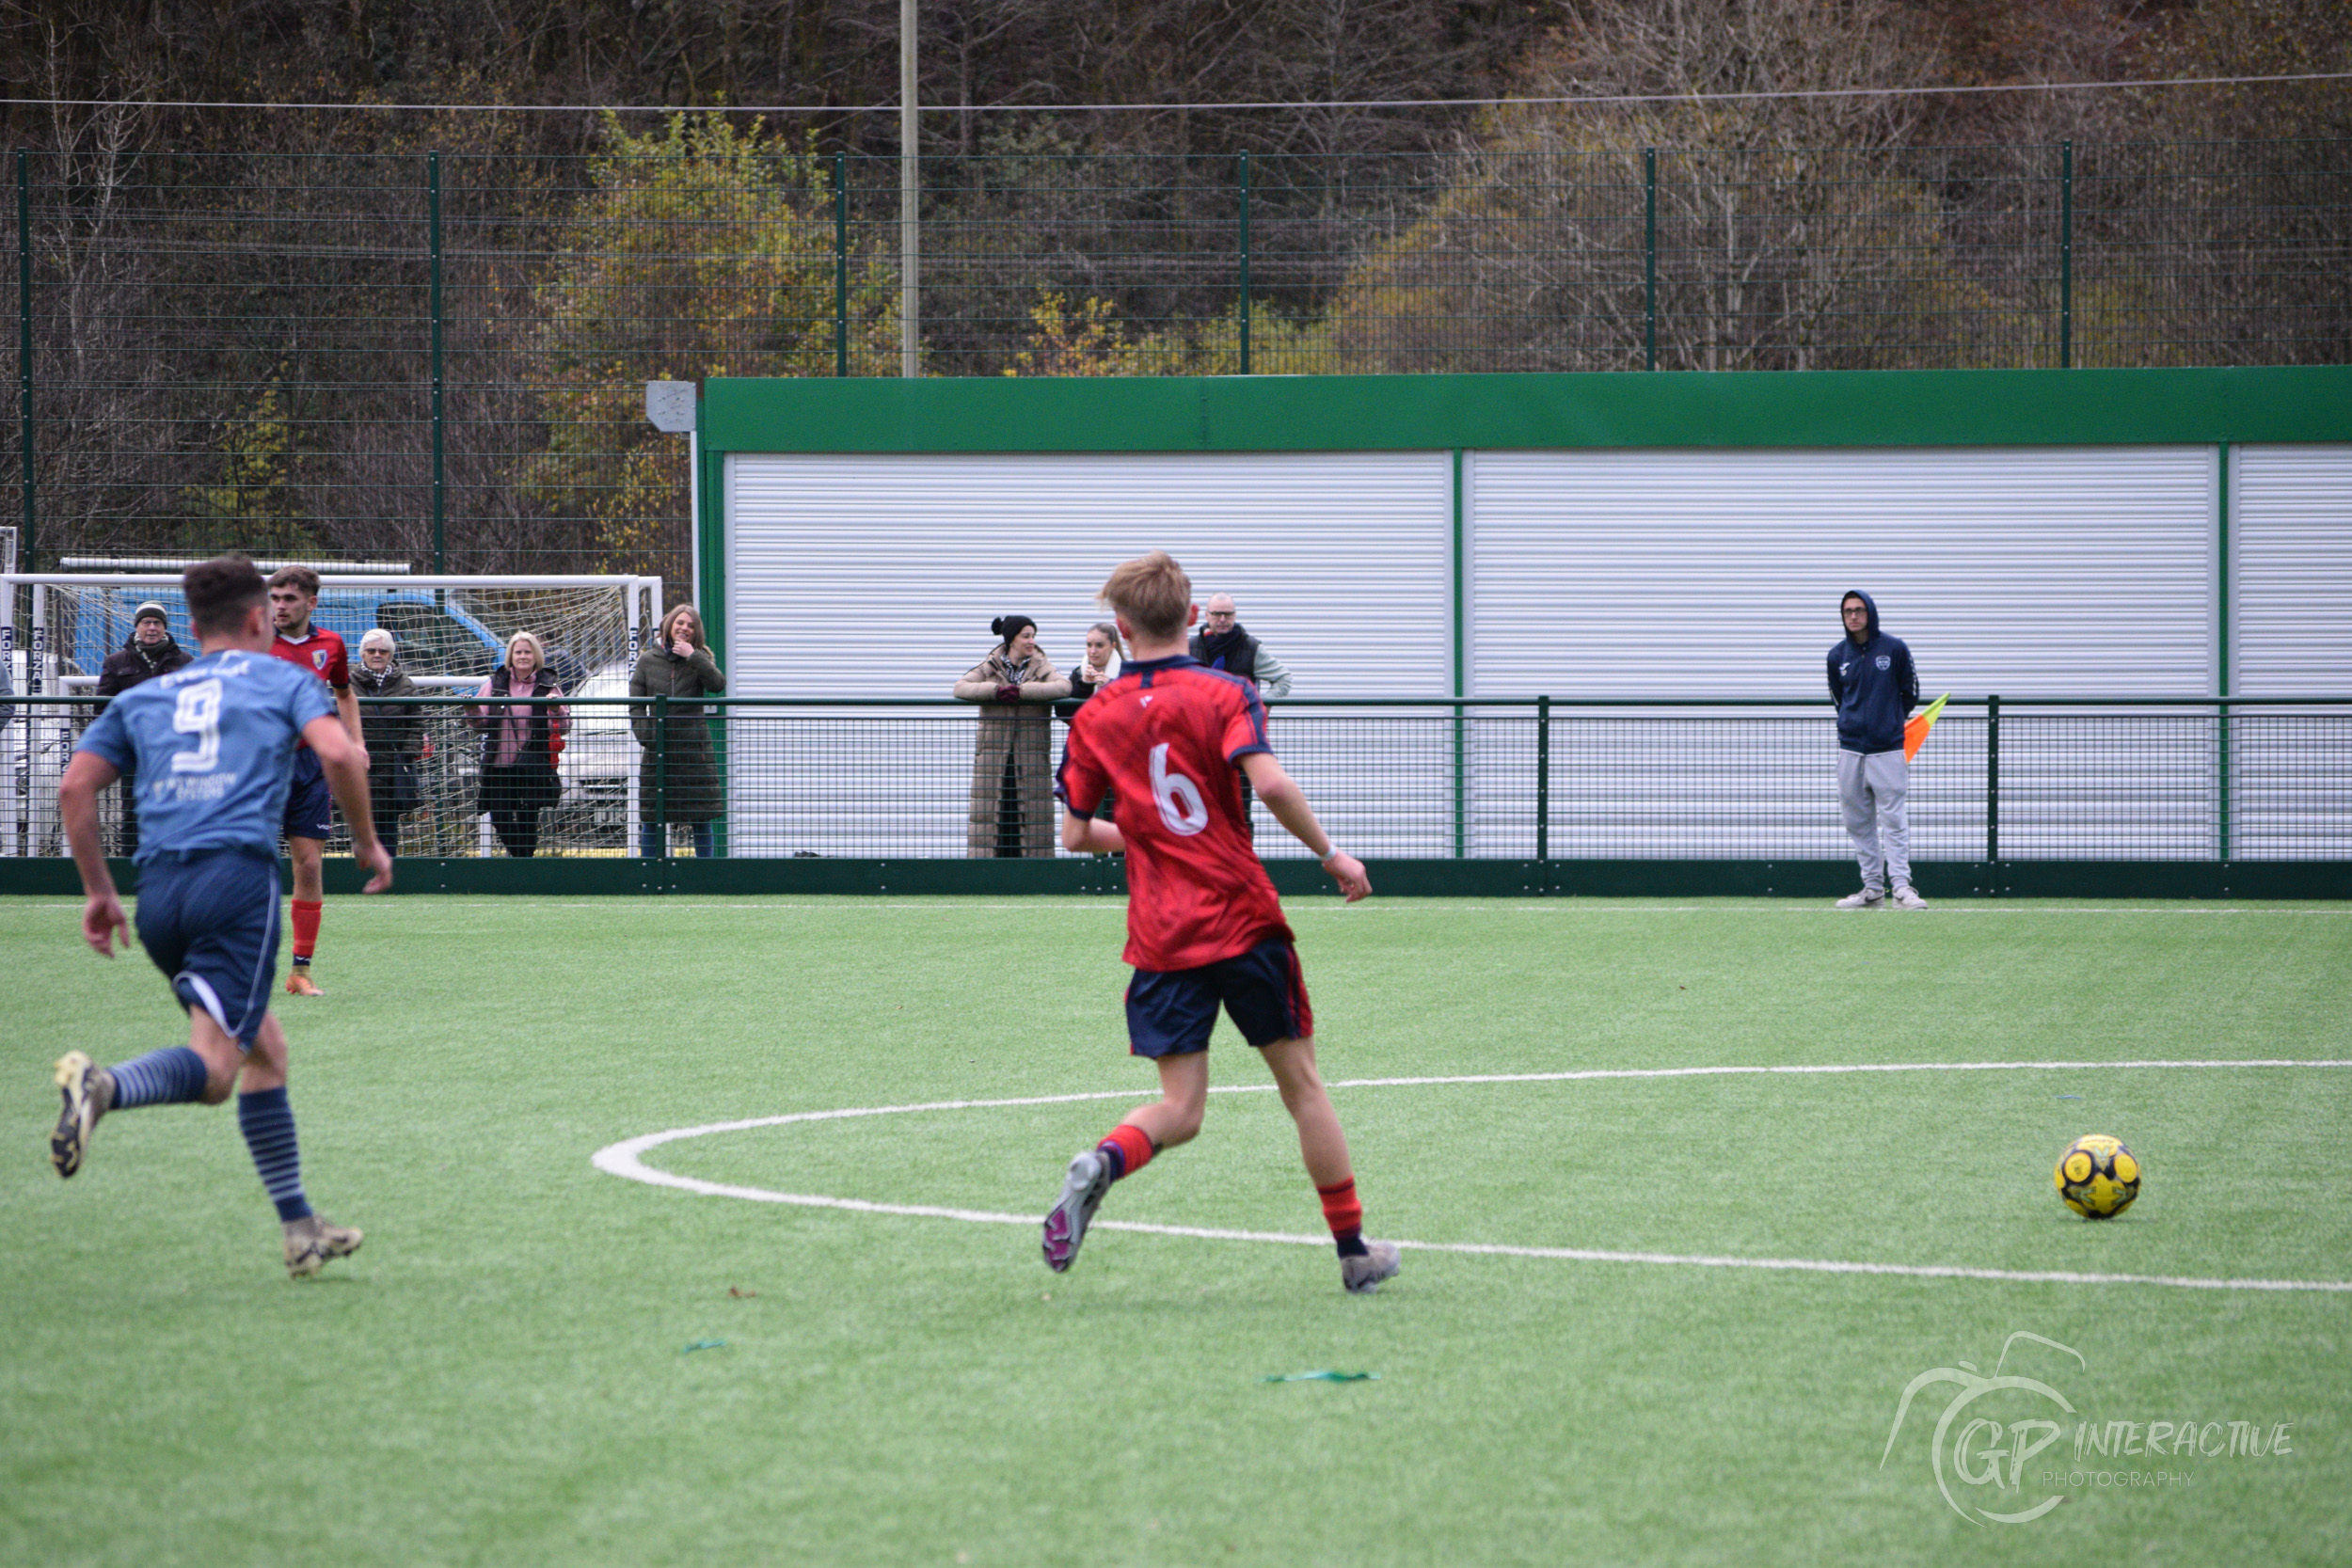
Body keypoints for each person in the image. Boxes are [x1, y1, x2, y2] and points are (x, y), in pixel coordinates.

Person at [1042, 551, 1397, 1295]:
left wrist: (1150, 836)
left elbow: (1074, 835)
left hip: (1164, 932)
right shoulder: (1226, 690)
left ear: (1121, 627)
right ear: (1193, 613)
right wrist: (1332, 854)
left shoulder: (1096, 714)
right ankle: (1353, 1249)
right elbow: (1267, 782)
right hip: (1242, 916)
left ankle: (1106, 1158)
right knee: (1301, 1084)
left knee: (1181, 1107)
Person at [50, 554, 392, 1279]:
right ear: (258, 619)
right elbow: (340, 753)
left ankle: (300, 1227)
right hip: (236, 885)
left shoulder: (152, 691)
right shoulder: (285, 678)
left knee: (265, 1048)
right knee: (215, 1070)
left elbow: (76, 787)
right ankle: (104, 1086)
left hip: (159, 893)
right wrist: (365, 844)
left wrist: (98, 892)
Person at [266, 566, 364, 996]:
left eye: (289, 598)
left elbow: (345, 694)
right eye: (275, 597)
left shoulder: (331, 645)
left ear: (311, 602)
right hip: (258, 769)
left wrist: (354, 743)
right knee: (246, 867)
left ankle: (300, 972)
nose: (280, 606)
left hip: (309, 769)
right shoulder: (253, 643)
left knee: (308, 865)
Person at [1828, 590, 1925, 911]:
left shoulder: (1894, 649)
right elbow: (1839, 699)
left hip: (1887, 751)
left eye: (1859, 610)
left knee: (1894, 820)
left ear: (1870, 612)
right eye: (1847, 612)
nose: (1853, 616)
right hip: (1851, 751)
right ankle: (1872, 889)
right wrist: (1852, 723)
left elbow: (1909, 691)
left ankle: (1901, 887)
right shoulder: (1836, 656)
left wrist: (1889, 721)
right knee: (1858, 822)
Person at [953, 615, 1070, 858]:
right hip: (993, 759)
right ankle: (987, 873)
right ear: (1011, 639)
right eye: (1026, 636)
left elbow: (1063, 687)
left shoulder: (1040, 664)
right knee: (994, 814)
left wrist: (1022, 692)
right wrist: (995, 692)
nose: (1031, 641)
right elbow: (960, 687)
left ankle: (1034, 875)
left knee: (1029, 816)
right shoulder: (990, 665)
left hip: (1030, 757)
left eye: (1033, 635)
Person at [93, 600, 193, 857]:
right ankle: (130, 866)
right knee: (133, 809)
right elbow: (102, 708)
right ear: (136, 627)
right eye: (146, 622)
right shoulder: (115, 662)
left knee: (177, 807)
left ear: (165, 627)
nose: (152, 628)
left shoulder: (185, 662)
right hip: (134, 750)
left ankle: (174, 862)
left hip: (175, 751)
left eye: (157, 623)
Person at [628, 604, 727, 859]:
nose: (684, 628)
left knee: (701, 818)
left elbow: (717, 685)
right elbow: (636, 704)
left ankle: (706, 873)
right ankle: (649, 871)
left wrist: (693, 656)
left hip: (694, 754)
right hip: (658, 753)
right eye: (680, 623)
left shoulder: (700, 658)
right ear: (669, 625)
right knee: (652, 816)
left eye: (690, 625)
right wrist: (647, 736)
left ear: (696, 633)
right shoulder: (647, 660)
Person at [469, 630, 567, 858]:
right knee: (500, 816)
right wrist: (471, 710)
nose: (523, 656)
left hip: (532, 765)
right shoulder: (495, 683)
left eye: (527, 651)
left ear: (536, 656)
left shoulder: (548, 684)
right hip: (499, 765)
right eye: (518, 651)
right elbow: (479, 721)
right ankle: (523, 859)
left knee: (527, 818)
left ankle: (524, 865)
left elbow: (564, 725)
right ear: (510, 655)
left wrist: (556, 709)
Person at [352, 628, 424, 857]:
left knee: (388, 828)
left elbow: (417, 723)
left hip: (392, 769)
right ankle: (361, 878)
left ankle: (387, 879)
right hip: (358, 766)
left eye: (383, 651)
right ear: (362, 654)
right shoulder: (347, 682)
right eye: (371, 650)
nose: (377, 655)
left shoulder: (405, 685)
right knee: (360, 827)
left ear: (390, 655)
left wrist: (407, 754)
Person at [1189, 593, 1293, 697]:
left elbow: (1283, 678)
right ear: (1206, 615)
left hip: (1238, 713)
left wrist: (1264, 705)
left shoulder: (1251, 648)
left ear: (1235, 615)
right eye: (1217, 614)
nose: (1222, 619)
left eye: (1228, 614)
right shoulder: (1189, 648)